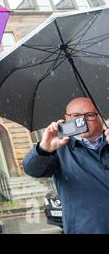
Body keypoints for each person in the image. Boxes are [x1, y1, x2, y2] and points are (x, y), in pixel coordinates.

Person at [23, 97, 109, 234]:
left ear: (101, 116)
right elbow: (32, 170)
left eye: (90, 115)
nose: (83, 121)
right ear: (66, 119)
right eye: (76, 116)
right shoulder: (59, 148)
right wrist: (44, 149)